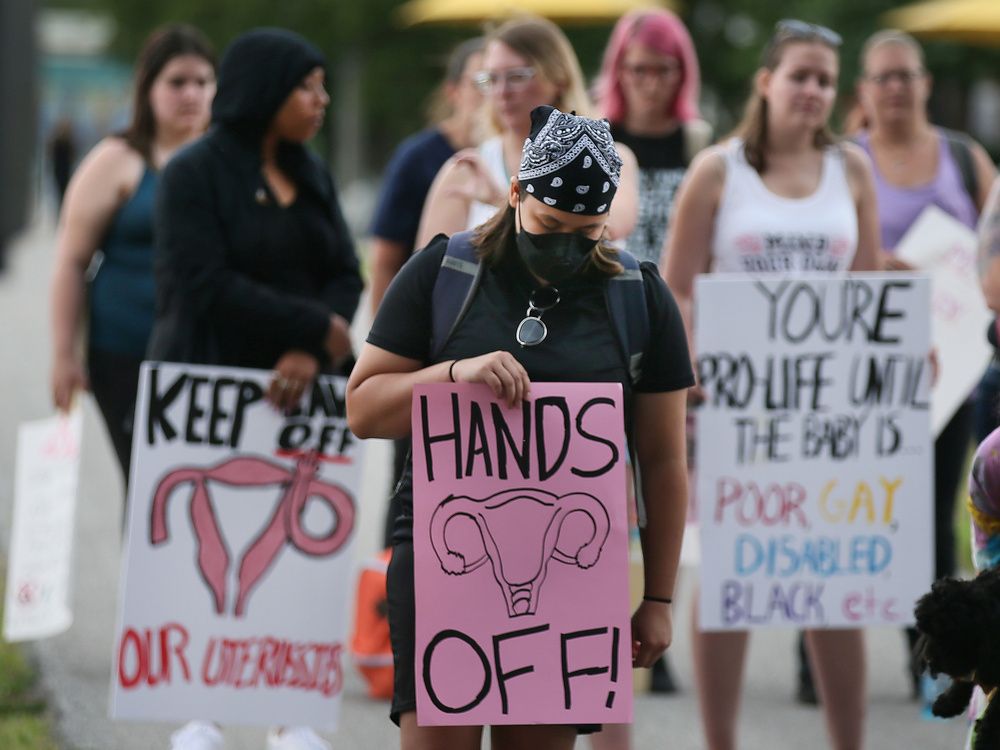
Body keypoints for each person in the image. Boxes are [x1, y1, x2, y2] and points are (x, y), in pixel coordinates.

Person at [347, 105, 692, 750]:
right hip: (443, 555)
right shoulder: (444, 274)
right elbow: (364, 407)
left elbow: (665, 461)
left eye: (587, 231)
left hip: (569, 571)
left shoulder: (638, 298)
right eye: (549, 224)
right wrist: (452, 375)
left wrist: (660, 599)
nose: (565, 244)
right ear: (514, 192)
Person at [663, 20, 880, 750]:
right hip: (737, 409)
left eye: (825, 79)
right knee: (733, 575)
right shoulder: (720, 171)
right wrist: (691, 365)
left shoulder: (852, 169)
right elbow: (678, 287)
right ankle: (719, 740)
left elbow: (868, 291)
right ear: (766, 81)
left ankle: (847, 741)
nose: (814, 91)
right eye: (800, 76)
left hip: (828, 413)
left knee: (830, 579)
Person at [149, 28, 363, 750]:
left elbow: (347, 271)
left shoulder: (313, 172)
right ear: (267, 92)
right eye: (309, 87)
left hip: (301, 400)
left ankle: (290, 711)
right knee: (199, 547)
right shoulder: (192, 174)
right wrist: (312, 326)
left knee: (294, 548)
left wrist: (308, 348)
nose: (321, 100)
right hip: (209, 378)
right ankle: (198, 709)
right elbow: (203, 282)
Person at [854, 28, 998, 698]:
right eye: (882, 77)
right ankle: (813, 659)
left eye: (905, 75)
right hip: (862, 373)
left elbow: (993, 246)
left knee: (936, 514)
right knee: (849, 512)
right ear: (863, 89)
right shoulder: (846, 160)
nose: (895, 88)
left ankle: (938, 662)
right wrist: (882, 267)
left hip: (950, 373)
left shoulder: (964, 160)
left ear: (925, 84)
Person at [49, 24, 216, 483]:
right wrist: (65, 355)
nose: (192, 94)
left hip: (208, 356)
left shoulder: (226, 161)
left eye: (203, 82)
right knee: (149, 484)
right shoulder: (116, 159)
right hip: (124, 351)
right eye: (177, 82)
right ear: (148, 89)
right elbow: (70, 261)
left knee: (199, 485)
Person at [369, 36, 485, 549]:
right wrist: (390, 350)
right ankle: (387, 620)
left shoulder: (526, 157)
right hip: (423, 355)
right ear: (455, 90)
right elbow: (388, 260)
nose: (495, 92)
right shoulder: (422, 158)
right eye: (482, 80)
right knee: (409, 495)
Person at [416, 15, 638, 247]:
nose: (502, 91)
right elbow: (432, 272)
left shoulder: (611, 158)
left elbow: (609, 227)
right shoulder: (467, 170)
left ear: (559, 78)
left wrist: (502, 201)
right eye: (491, 79)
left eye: (517, 76)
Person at [595, 7, 711, 267]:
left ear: (682, 72)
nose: (652, 85)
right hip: (614, 289)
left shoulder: (697, 144)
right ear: (619, 71)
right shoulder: (599, 139)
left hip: (675, 294)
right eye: (640, 70)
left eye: (663, 71)